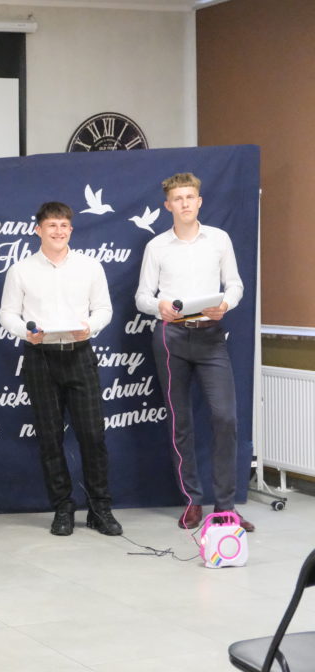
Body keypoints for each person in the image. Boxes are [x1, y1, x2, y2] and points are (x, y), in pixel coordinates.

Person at [135, 173, 252, 532]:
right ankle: (192, 501)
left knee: (225, 418)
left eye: (190, 197)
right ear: (168, 205)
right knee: (180, 422)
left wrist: (226, 304)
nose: (184, 203)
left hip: (210, 336)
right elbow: (142, 297)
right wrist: (159, 306)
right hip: (171, 337)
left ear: (199, 201)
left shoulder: (219, 239)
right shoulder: (157, 246)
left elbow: (235, 284)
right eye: (178, 198)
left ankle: (226, 507)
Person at [0, 201, 122, 536]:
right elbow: (7, 313)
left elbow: (104, 308)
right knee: (50, 437)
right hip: (40, 357)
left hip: (79, 354)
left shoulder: (90, 267)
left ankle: (100, 509)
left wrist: (90, 327)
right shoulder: (20, 270)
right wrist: (25, 331)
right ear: (38, 229)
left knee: (93, 435)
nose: (58, 231)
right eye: (51, 225)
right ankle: (63, 508)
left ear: (71, 229)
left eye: (64, 225)